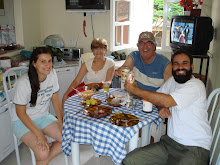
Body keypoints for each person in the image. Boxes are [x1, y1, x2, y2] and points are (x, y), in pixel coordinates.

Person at [122, 49, 212, 165]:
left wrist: (136, 90)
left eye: (184, 63)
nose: (180, 67)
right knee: (129, 161)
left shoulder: (196, 86)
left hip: (194, 148)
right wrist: (161, 107)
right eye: (176, 64)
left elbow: (167, 100)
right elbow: (159, 98)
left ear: (192, 66)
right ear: (172, 67)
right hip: (169, 144)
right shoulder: (172, 81)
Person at [12, 47, 63, 165]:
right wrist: (39, 134)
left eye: (50, 61)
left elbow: (55, 99)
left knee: (68, 139)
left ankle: (43, 162)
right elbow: (21, 113)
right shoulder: (23, 83)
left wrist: (60, 121)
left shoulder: (52, 73)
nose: (47, 65)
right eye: (43, 61)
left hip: (43, 117)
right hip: (22, 121)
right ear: (34, 63)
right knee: (42, 153)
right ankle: (43, 156)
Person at [62, 38, 115, 105]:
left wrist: (103, 84)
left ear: (105, 50)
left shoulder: (110, 63)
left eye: (101, 48)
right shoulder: (86, 63)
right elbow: (76, 81)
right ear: (93, 50)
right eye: (96, 48)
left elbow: (108, 81)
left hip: (101, 91)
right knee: (67, 100)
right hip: (86, 91)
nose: (98, 51)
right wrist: (66, 94)